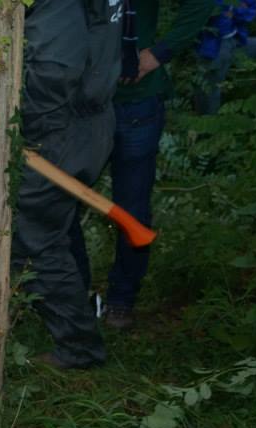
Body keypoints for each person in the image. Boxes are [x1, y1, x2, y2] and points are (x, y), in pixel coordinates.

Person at [11, 0, 122, 369]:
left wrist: (24, 125)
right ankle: (74, 318)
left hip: (58, 128)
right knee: (53, 233)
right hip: (87, 120)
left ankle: (79, 347)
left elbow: (54, 69)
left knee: (32, 242)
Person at [104, 0, 215, 329]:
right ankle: (71, 294)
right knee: (60, 199)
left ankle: (121, 300)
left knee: (132, 206)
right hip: (79, 106)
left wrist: (158, 53)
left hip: (135, 105)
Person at [194, 0, 256, 115]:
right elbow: (214, 13)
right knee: (210, 87)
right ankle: (208, 125)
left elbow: (249, 13)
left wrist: (233, 9)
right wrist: (233, 7)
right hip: (214, 43)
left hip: (237, 42)